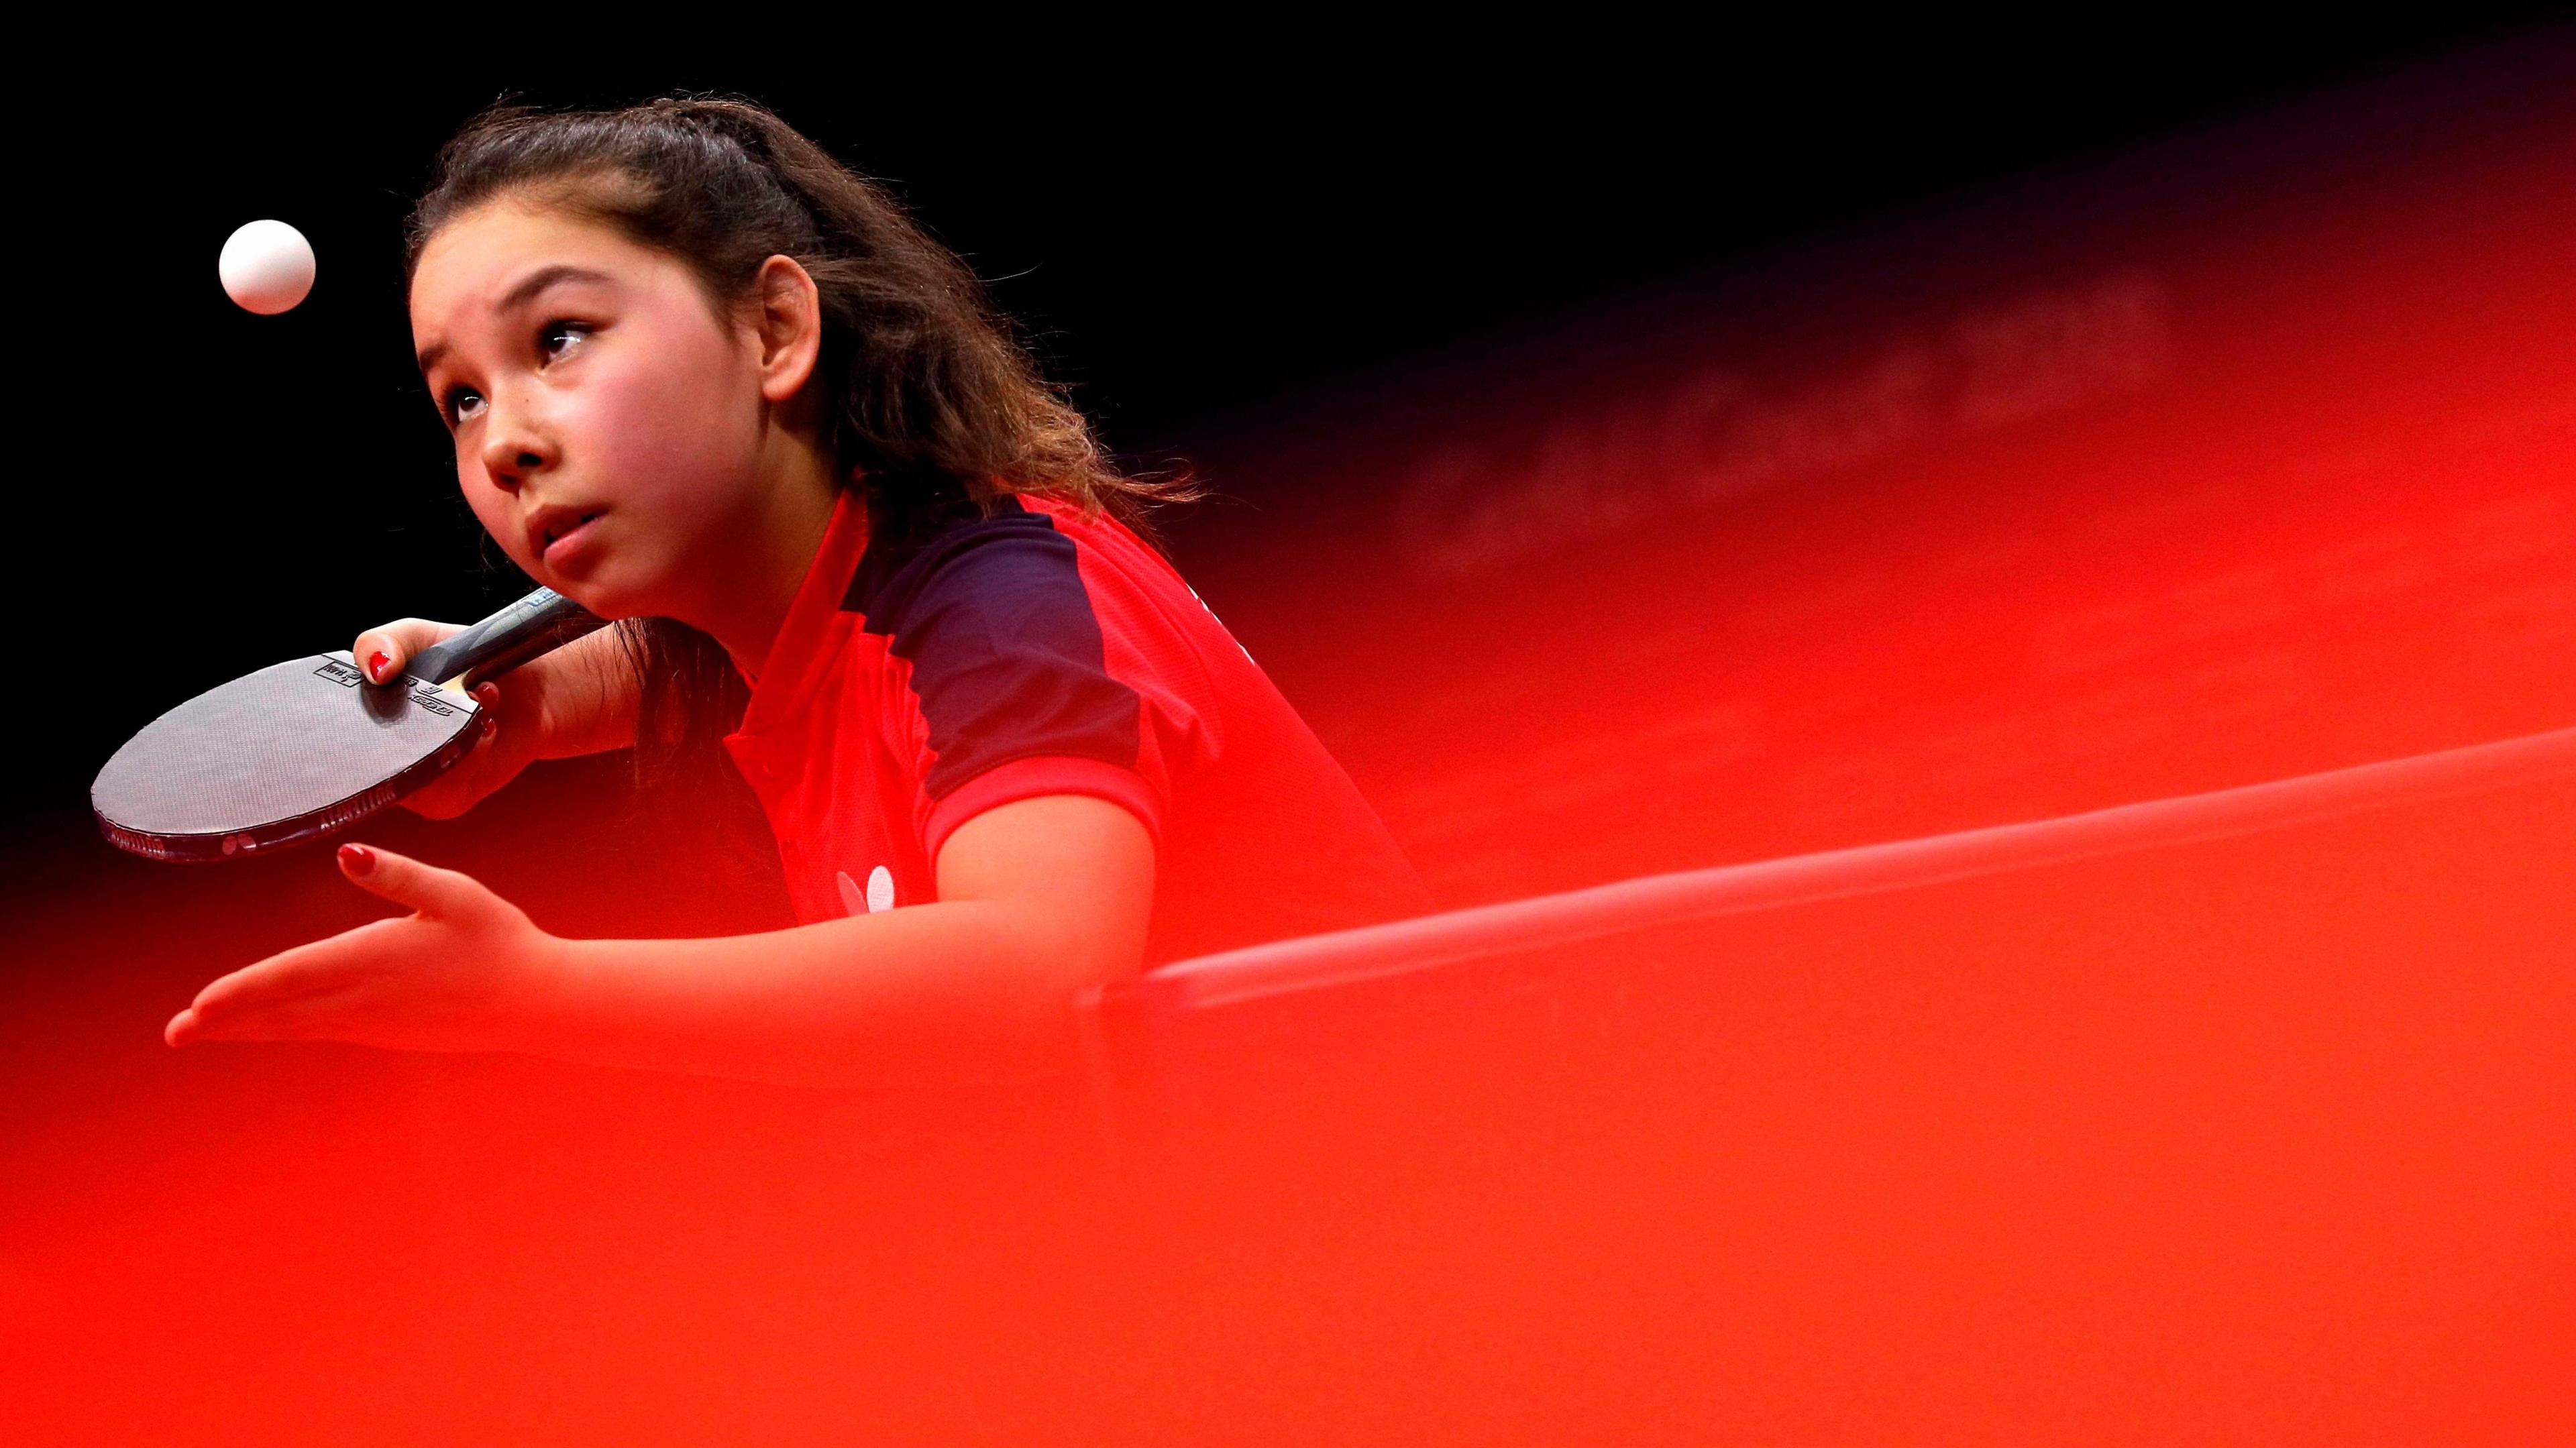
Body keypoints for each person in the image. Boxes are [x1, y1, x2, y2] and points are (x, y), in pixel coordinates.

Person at [164, 96, 1430, 1087]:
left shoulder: (1005, 609)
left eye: (557, 339)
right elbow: (731, 651)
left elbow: (1043, 966)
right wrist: (533, 708)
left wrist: (535, 992)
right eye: (463, 398)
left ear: (774, 331)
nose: (505, 442)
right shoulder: (819, 620)